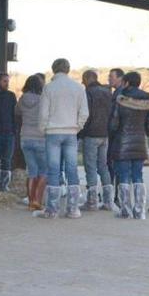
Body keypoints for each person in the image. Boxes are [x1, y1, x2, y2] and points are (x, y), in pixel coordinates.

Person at [34, 58, 89, 219]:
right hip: (71, 132)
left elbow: (43, 113)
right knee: (72, 168)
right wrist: (77, 126)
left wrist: (43, 128)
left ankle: (52, 209)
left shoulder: (49, 88)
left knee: (53, 169)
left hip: (52, 132)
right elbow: (84, 112)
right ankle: (73, 209)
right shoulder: (79, 88)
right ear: (68, 69)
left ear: (53, 70)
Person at [109, 71, 149, 219]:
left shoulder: (121, 99)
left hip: (122, 143)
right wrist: (142, 135)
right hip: (140, 143)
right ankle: (139, 210)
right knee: (138, 176)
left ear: (126, 83)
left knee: (123, 176)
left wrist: (115, 136)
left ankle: (125, 210)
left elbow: (114, 124)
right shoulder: (147, 101)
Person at [79, 70, 114, 211]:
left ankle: (92, 201)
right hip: (105, 135)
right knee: (103, 167)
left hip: (91, 135)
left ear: (87, 79)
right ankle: (108, 201)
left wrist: (81, 132)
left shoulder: (88, 93)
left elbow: (85, 115)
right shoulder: (108, 92)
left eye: (83, 80)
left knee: (90, 167)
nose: (82, 83)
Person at [16, 75, 47, 210]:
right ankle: (37, 201)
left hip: (25, 138)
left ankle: (30, 202)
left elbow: (16, 112)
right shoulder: (43, 100)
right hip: (40, 137)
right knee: (44, 171)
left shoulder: (22, 99)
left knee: (31, 171)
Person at [107, 68, 125, 190]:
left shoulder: (120, 94)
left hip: (117, 135)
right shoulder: (116, 92)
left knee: (115, 165)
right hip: (120, 134)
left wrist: (111, 130)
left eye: (111, 76)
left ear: (120, 78)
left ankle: (114, 193)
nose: (109, 79)